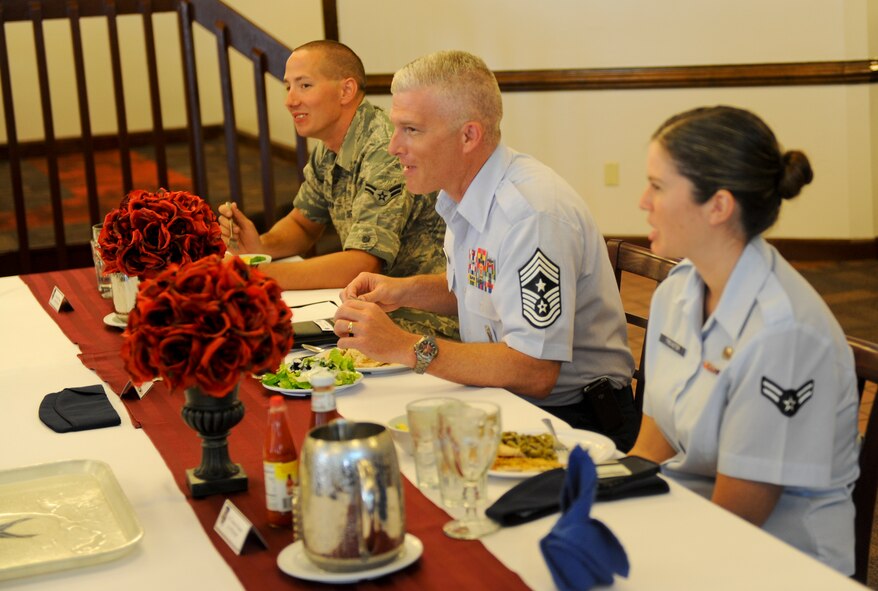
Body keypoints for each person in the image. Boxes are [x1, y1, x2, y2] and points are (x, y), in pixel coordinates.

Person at [332, 50, 638, 451]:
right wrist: (402, 290)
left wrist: (405, 347)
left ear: (468, 136)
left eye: (411, 130)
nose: (393, 147)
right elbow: (484, 289)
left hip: (574, 423)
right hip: (507, 399)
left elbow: (536, 370)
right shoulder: (464, 193)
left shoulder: (531, 215)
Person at [628, 105, 859, 574]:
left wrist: (637, 549)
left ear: (718, 205)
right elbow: (655, 442)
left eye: (657, 186)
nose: (642, 201)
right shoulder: (677, 291)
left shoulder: (783, 334)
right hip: (688, 516)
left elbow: (739, 518)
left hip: (777, 561)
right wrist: (595, 496)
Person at [218, 40, 456, 339]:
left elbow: (360, 263)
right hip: (375, 306)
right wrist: (262, 247)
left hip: (425, 318)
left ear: (346, 91)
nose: (290, 100)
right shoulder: (329, 148)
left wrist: (256, 275)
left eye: (304, 85)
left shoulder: (384, 148)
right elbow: (303, 224)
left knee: (258, 336)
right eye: (288, 87)